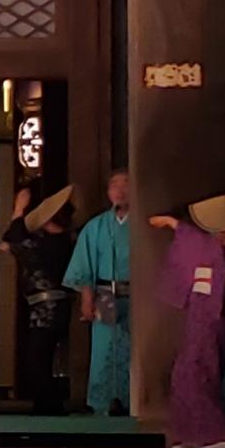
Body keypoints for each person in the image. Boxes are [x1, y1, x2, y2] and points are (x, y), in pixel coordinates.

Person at [151, 184, 225, 448]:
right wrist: (174, 224)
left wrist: (174, 224)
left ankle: (213, 433)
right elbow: (194, 240)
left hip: (215, 317)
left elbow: (205, 247)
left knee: (200, 373)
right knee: (184, 373)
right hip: (199, 316)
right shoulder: (210, 242)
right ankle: (189, 432)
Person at [63, 171, 132, 415]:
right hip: (105, 293)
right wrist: (87, 298)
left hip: (138, 295)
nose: (120, 190)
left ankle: (133, 401)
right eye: (114, 185)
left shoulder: (143, 225)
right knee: (103, 351)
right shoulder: (96, 226)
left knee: (133, 350)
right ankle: (102, 403)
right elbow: (85, 264)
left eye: (126, 184)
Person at [6, 185, 77, 415]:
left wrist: (18, 210)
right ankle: (46, 404)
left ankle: (49, 406)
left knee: (38, 358)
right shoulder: (63, 241)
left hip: (48, 307)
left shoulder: (53, 244)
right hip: (49, 306)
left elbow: (16, 241)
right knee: (40, 357)